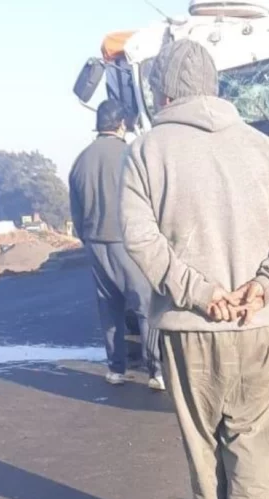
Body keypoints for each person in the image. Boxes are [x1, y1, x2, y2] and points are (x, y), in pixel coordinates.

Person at [118, 40, 269, 499]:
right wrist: (266, 285)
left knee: (204, 459)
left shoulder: (144, 152)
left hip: (188, 333)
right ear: (216, 88)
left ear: (163, 94)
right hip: (259, 327)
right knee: (255, 459)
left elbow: (140, 238)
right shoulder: (264, 148)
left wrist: (200, 293)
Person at [68, 99, 163, 390]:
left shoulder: (80, 160)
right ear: (122, 124)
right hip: (128, 242)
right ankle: (155, 371)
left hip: (95, 244)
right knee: (145, 306)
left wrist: (89, 239)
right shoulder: (131, 154)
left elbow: (76, 211)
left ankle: (116, 369)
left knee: (109, 309)